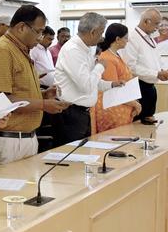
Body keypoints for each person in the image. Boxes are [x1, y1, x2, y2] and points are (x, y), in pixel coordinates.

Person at [0, 5, 69, 170]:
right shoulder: (3, 50)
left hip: (25, 138)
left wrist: (43, 95)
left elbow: (18, 91)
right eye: (38, 32)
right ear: (21, 27)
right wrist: (43, 105)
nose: (40, 37)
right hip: (8, 140)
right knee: (3, 194)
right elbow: (2, 100)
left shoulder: (21, 49)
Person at [54, 12, 125, 144]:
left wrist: (111, 85)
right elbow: (86, 85)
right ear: (93, 32)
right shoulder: (73, 50)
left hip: (82, 113)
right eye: (101, 33)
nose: (102, 37)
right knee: (72, 158)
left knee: (83, 156)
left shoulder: (87, 49)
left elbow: (93, 82)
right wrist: (100, 67)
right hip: (71, 113)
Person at [123, 8, 168, 125]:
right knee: (137, 127)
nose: (158, 28)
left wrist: (162, 71)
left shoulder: (150, 38)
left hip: (150, 87)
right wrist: (156, 74)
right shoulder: (132, 38)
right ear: (146, 21)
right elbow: (131, 67)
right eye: (156, 24)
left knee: (149, 126)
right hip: (138, 87)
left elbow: (156, 60)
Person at [92, 23, 142, 133]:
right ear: (117, 39)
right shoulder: (107, 58)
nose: (127, 41)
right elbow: (113, 89)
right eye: (126, 38)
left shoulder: (115, 55)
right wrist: (135, 104)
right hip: (113, 109)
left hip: (123, 105)